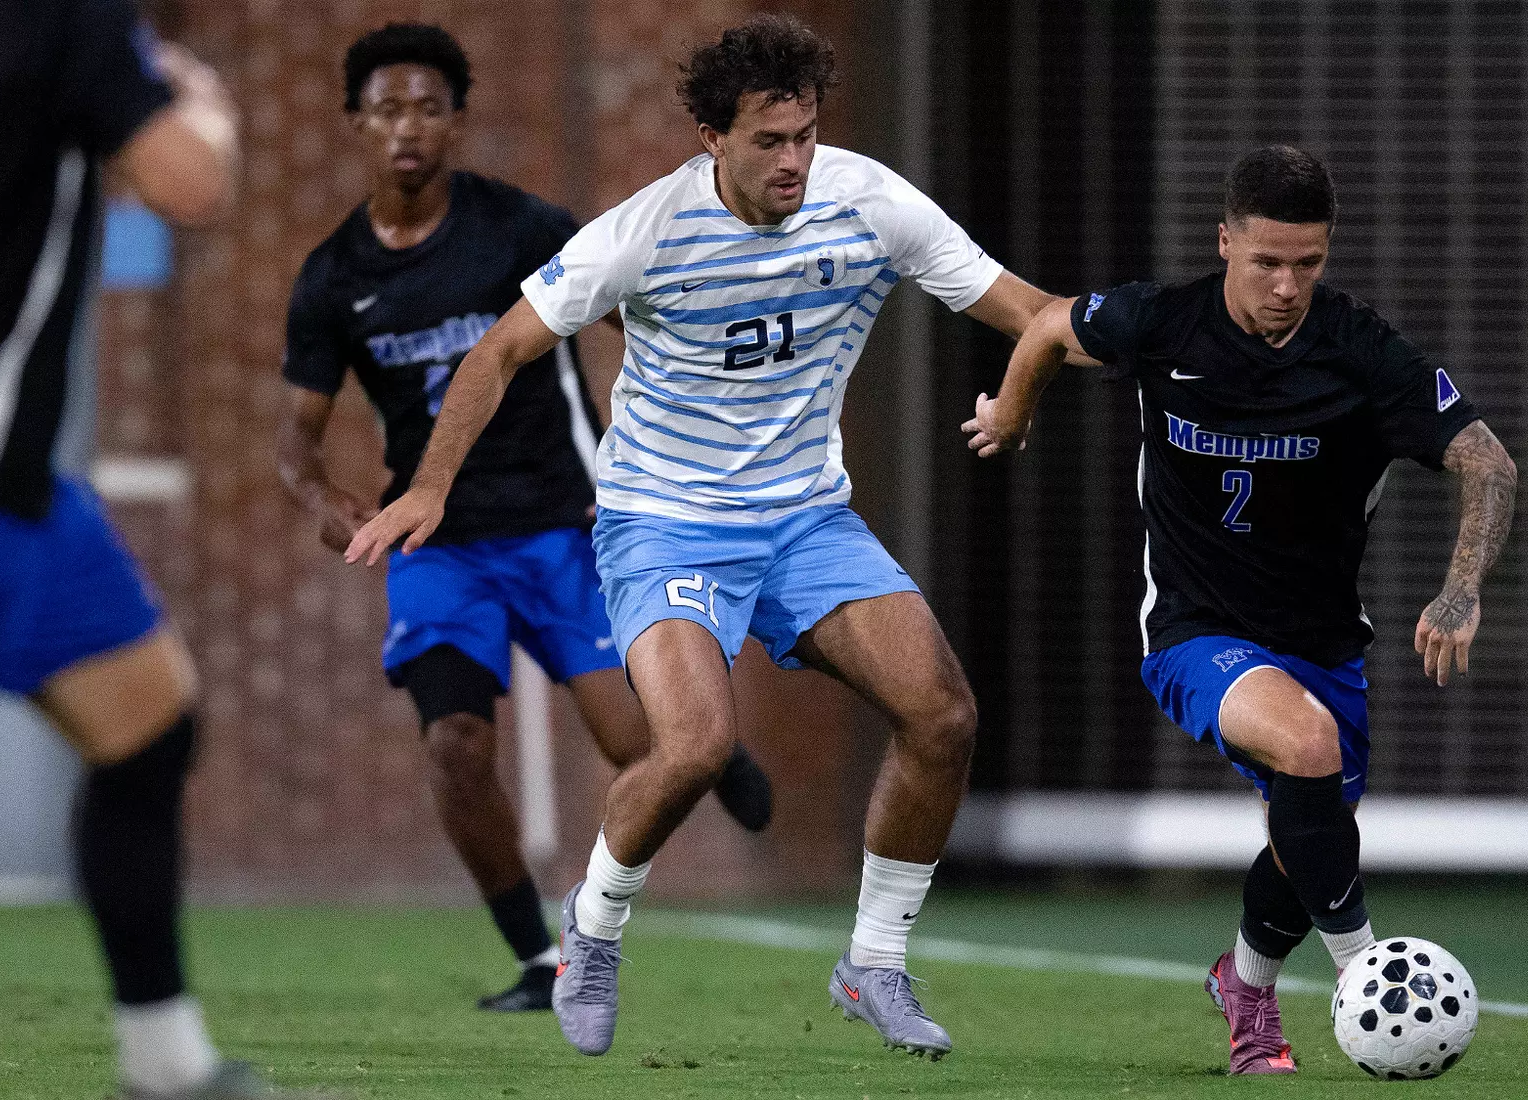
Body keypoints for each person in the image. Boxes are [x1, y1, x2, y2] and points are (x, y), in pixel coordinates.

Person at [346, 13, 1074, 1061]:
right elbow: (500, 352)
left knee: (943, 712)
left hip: (807, 520)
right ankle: (592, 931)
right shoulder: (642, 231)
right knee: (694, 744)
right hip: (662, 525)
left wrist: (1081, 370)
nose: (794, 161)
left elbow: (1035, 311)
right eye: (769, 142)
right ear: (711, 139)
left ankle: (873, 961)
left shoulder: (868, 202)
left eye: (806, 136)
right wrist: (428, 487)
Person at [963, 145, 1517, 1074]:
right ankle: (1370, 978)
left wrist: (1461, 589)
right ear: (1225, 242)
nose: (1288, 286)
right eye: (1267, 262)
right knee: (1306, 752)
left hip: (1323, 641)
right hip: (1192, 627)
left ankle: (1245, 987)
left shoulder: (1363, 353)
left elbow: (1488, 462)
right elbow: (1051, 327)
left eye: (1309, 264)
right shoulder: (1163, 322)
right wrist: (1013, 416)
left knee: (1311, 837)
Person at [275, 22, 774, 1013]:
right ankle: (539, 958)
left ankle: (704, 742)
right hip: (438, 545)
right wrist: (322, 497)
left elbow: (640, 310)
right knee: (455, 746)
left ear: (456, 121)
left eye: (427, 106)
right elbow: (294, 444)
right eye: (386, 109)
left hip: (561, 525)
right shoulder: (332, 279)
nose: (407, 126)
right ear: (356, 126)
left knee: (642, 745)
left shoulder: (521, 230)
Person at [0, 3, 308, 1097]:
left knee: (148, 720)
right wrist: (197, 97)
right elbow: (186, 180)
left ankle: (165, 1064)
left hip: (25, 494)